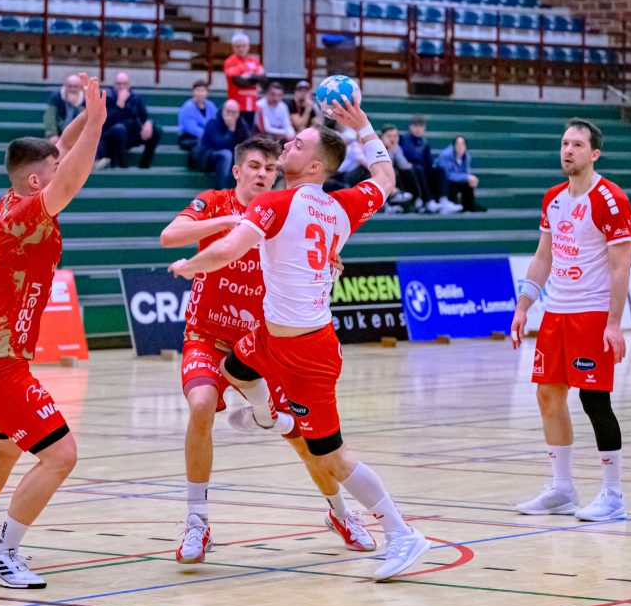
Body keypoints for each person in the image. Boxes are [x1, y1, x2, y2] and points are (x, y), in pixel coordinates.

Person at [168, 96, 432, 581]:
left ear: (312, 165)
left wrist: (190, 265)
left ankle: (401, 532)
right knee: (235, 369)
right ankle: (265, 415)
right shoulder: (343, 205)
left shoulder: (275, 202)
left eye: (295, 143)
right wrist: (365, 126)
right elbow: (386, 181)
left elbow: (227, 248)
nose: (285, 143)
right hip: (270, 335)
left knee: (329, 454)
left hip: (307, 353)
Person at [160, 136, 376, 565]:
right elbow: (171, 236)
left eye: (270, 167)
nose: (263, 173)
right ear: (238, 171)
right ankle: (197, 522)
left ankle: (340, 512)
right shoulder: (215, 201)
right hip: (207, 337)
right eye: (254, 166)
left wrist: (331, 258)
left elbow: (317, 248)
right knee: (202, 404)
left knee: (302, 438)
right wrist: (225, 225)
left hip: (261, 345)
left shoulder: (283, 208)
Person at [0, 75, 106, 589]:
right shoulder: (24, 216)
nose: (63, 169)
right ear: (37, 183)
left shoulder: (11, 200)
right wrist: (99, 123)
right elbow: (70, 175)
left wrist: (88, 110)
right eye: (52, 172)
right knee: (61, 454)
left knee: (7, 445)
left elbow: (60, 150)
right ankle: (2, 553)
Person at [510, 118, 631, 523]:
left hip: (592, 313)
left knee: (593, 399)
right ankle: (562, 488)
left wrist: (613, 323)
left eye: (577, 144)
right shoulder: (553, 199)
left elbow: (620, 267)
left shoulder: (610, 200)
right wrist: (524, 305)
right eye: (564, 143)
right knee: (547, 395)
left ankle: (612, 495)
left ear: (594, 153)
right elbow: (544, 256)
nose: (568, 150)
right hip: (556, 313)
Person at [98, 71, 161, 169]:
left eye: (125, 84)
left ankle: (144, 165)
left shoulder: (134, 98)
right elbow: (106, 123)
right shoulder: (107, 98)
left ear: (129, 85)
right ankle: (122, 165)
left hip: (130, 134)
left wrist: (148, 123)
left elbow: (145, 117)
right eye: (119, 84)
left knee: (156, 130)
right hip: (111, 136)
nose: (122, 87)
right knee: (119, 129)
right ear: (114, 85)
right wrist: (119, 104)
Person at [400, 116, 460, 214]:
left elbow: (429, 162)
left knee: (439, 170)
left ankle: (443, 201)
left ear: (424, 128)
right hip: (411, 173)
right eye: (415, 126)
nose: (418, 129)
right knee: (418, 169)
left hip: (423, 171)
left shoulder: (425, 143)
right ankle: (428, 201)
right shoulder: (403, 140)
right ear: (410, 127)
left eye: (420, 126)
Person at [194, 99, 252, 190]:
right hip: (208, 158)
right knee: (226, 154)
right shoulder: (213, 123)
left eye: (234, 112)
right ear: (222, 110)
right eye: (228, 111)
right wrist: (231, 130)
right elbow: (218, 144)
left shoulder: (241, 124)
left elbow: (248, 143)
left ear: (238, 114)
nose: (230, 115)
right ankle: (219, 189)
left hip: (232, 161)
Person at [223, 32, 265, 128]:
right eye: (238, 46)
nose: (241, 48)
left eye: (244, 46)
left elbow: (263, 79)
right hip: (236, 105)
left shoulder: (254, 61)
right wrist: (254, 77)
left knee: (249, 133)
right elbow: (239, 82)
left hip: (252, 104)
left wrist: (248, 77)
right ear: (233, 47)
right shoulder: (230, 62)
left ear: (248, 46)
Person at [435, 136, 487, 212]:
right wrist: (466, 177)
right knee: (454, 184)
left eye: (462, 144)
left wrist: (470, 179)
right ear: (453, 146)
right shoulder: (445, 155)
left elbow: (466, 172)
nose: (460, 147)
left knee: (468, 183)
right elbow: (446, 175)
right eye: (458, 144)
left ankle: (469, 205)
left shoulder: (466, 156)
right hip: (443, 182)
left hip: (456, 180)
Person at [178, 79, 217, 159]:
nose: (200, 94)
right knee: (201, 143)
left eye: (203, 91)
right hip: (188, 137)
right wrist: (209, 136)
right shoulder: (188, 107)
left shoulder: (211, 106)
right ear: (193, 92)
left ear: (207, 93)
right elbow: (192, 128)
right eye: (197, 91)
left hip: (207, 136)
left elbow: (215, 122)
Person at [43, 73, 85, 144]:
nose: (72, 89)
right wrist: (52, 134)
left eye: (75, 87)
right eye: (70, 86)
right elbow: (49, 117)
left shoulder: (85, 99)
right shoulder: (56, 96)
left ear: (80, 87)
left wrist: (76, 106)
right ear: (65, 86)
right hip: (59, 132)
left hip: (78, 134)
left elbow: (86, 119)